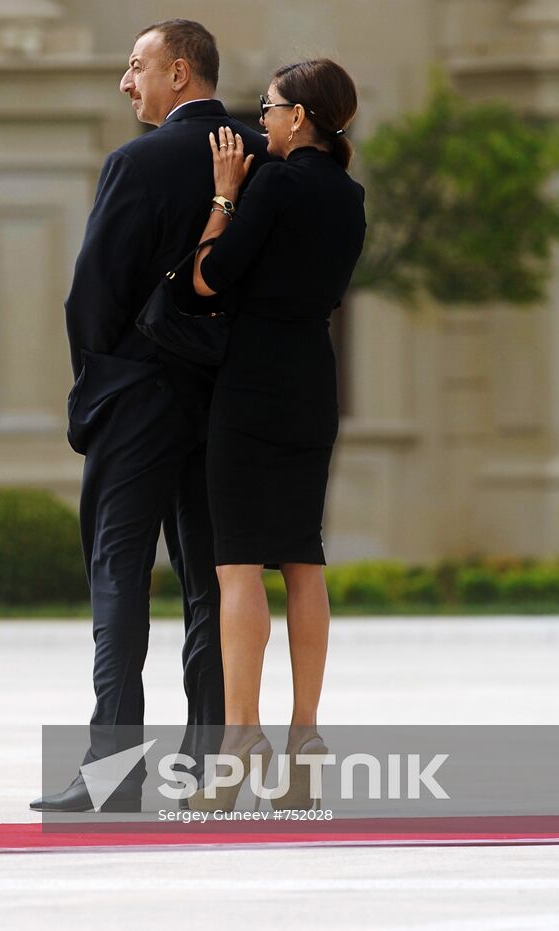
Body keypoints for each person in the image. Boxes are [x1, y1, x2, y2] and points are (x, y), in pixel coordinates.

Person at [32, 19, 272, 813]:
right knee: (214, 582)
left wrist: (95, 389)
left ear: (178, 72)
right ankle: (210, 766)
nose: (124, 83)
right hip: (228, 400)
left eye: (135, 67)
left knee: (118, 576)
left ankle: (114, 772)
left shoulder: (137, 161)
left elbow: (90, 293)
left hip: (135, 399)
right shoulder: (266, 152)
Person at [182, 59, 366, 811]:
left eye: (268, 109)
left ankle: (238, 742)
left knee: (237, 565)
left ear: (300, 118)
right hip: (313, 382)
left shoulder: (278, 183)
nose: (260, 121)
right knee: (303, 556)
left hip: (254, 381)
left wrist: (224, 194)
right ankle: (305, 736)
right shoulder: (349, 195)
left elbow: (207, 278)